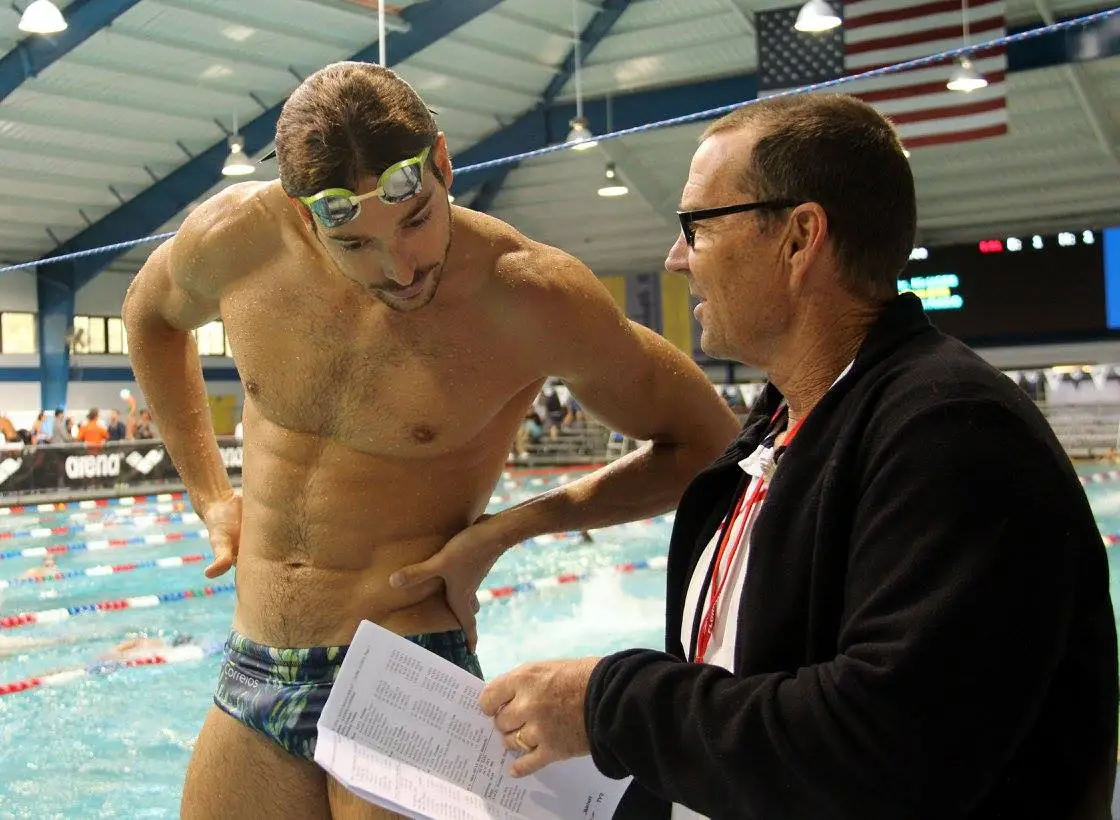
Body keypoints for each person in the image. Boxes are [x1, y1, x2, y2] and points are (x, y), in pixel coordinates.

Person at [121, 61, 740, 819]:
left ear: (442, 165)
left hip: (402, 667)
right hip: (253, 665)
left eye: (414, 221)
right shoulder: (238, 242)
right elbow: (150, 315)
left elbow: (709, 443)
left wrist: (513, 528)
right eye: (355, 245)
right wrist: (211, 496)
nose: (400, 267)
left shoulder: (530, 295)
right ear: (302, 213)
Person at [477, 93, 1119, 820]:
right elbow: (737, 701)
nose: (676, 258)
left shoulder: (953, 434)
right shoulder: (784, 425)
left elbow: (879, 753)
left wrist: (607, 705)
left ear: (799, 237)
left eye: (697, 226)